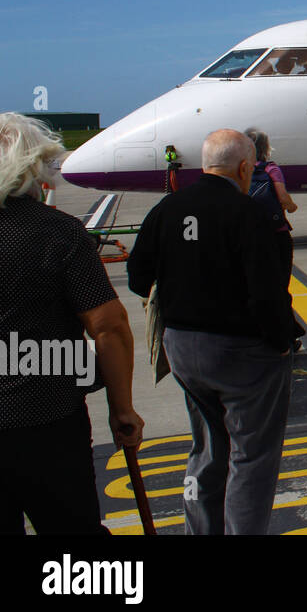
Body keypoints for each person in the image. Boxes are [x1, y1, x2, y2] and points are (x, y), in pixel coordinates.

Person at [127, 129, 293, 535]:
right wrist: (282, 343)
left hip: (184, 349)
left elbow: (137, 277)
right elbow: (267, 293)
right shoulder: (247, 212)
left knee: (207, 448)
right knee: (251, 457)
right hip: (241, 354)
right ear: (242, 167)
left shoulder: (168, 209)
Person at [0, 113, 144, 535]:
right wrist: (122, 409)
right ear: (32, 169)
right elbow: (109, 326)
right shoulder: (57, 233)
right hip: (45, 423)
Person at [244, 127, 303, 349]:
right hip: (276, 236)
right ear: (265, 147)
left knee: (258, 287)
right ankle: (288, 334)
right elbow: (282, 196)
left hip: (251, 237)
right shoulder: (271, 169)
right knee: (280, 287)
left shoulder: (242, 170)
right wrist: (292, 207)